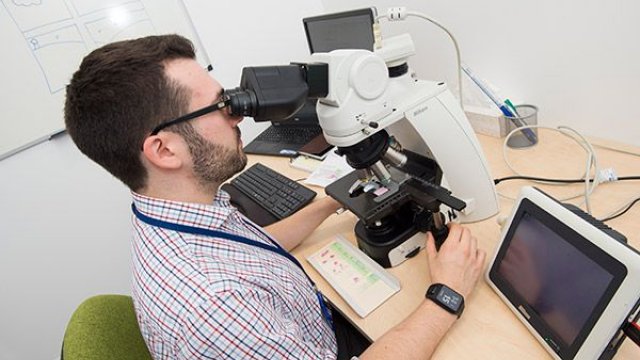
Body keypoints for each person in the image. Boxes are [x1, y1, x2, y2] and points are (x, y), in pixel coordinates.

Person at [64, 34, 486, 359]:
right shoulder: (213, 308)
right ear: (164, 150)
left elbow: (253, 250)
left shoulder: (179, 210)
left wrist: (331, 203)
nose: (237, 113)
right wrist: (446, 293)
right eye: (219, 106)